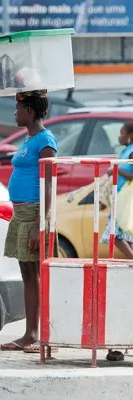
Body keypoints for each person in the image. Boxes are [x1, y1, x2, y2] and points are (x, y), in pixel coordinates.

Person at [0, 90, 58, 353]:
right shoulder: (29, 139)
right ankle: (30, 333)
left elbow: (48, 186)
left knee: (37, 274)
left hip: (34, 213)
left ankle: (44, 335)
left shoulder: (46, 141)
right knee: (27, 273)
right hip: (21, 214)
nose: (15, 113)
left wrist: (38, 224)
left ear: (30, 111)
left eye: (18, 108)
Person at [101, 122, 133, 362]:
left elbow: (130, 172)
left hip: (125, 197)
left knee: (116, 233)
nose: (119, 137)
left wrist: (116, 170)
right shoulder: (125, 151)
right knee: (118, 233)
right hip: (119, 196)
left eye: (121, 133)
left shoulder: (130, 152)